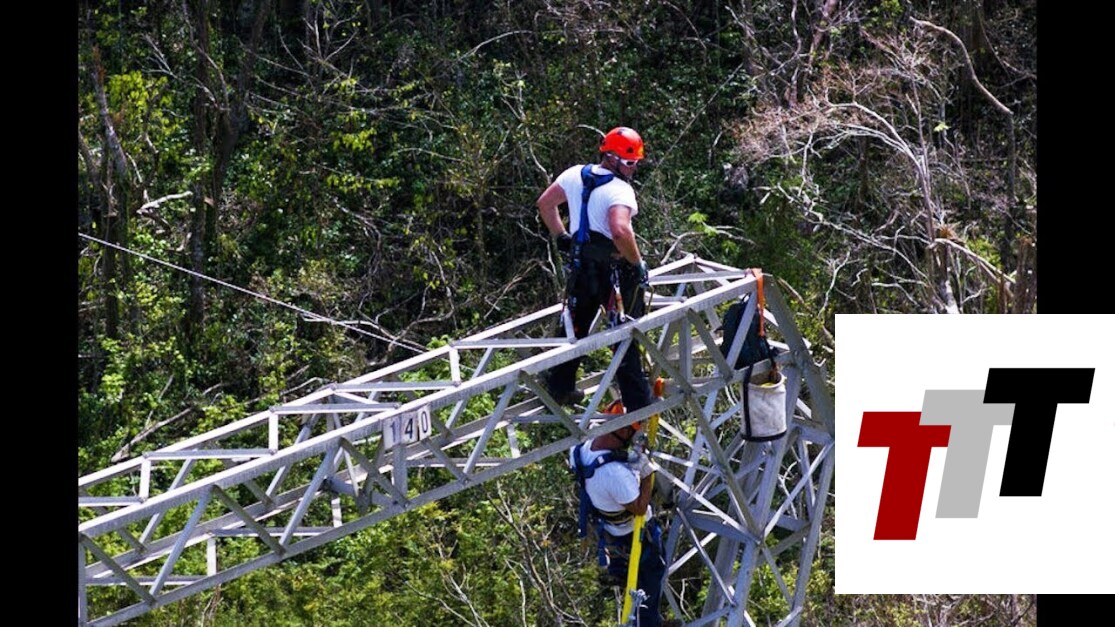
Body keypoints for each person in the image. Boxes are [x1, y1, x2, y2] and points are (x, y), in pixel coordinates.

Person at [538, 126, 653, 411]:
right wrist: (637, 264)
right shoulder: (620, 191)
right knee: (624, 331)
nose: (633, 168)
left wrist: (562, 237)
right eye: (630, 162)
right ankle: (637, 401)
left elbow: (545, 204)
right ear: (612, 158)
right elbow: (620, 231)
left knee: (575, 327)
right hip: (614, 272)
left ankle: (560, 387)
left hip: (581, 267)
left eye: (635, 163)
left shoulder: (574, 174)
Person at [570, 416, 670, 627]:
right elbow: (639, 507)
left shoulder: (582, 448)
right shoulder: (614, 474)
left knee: (633, 573)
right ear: (622, 432)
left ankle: (619, 570)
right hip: (632, 532)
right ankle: (650, 624)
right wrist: (646, 474)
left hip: (609, 528)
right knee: (651, 576)